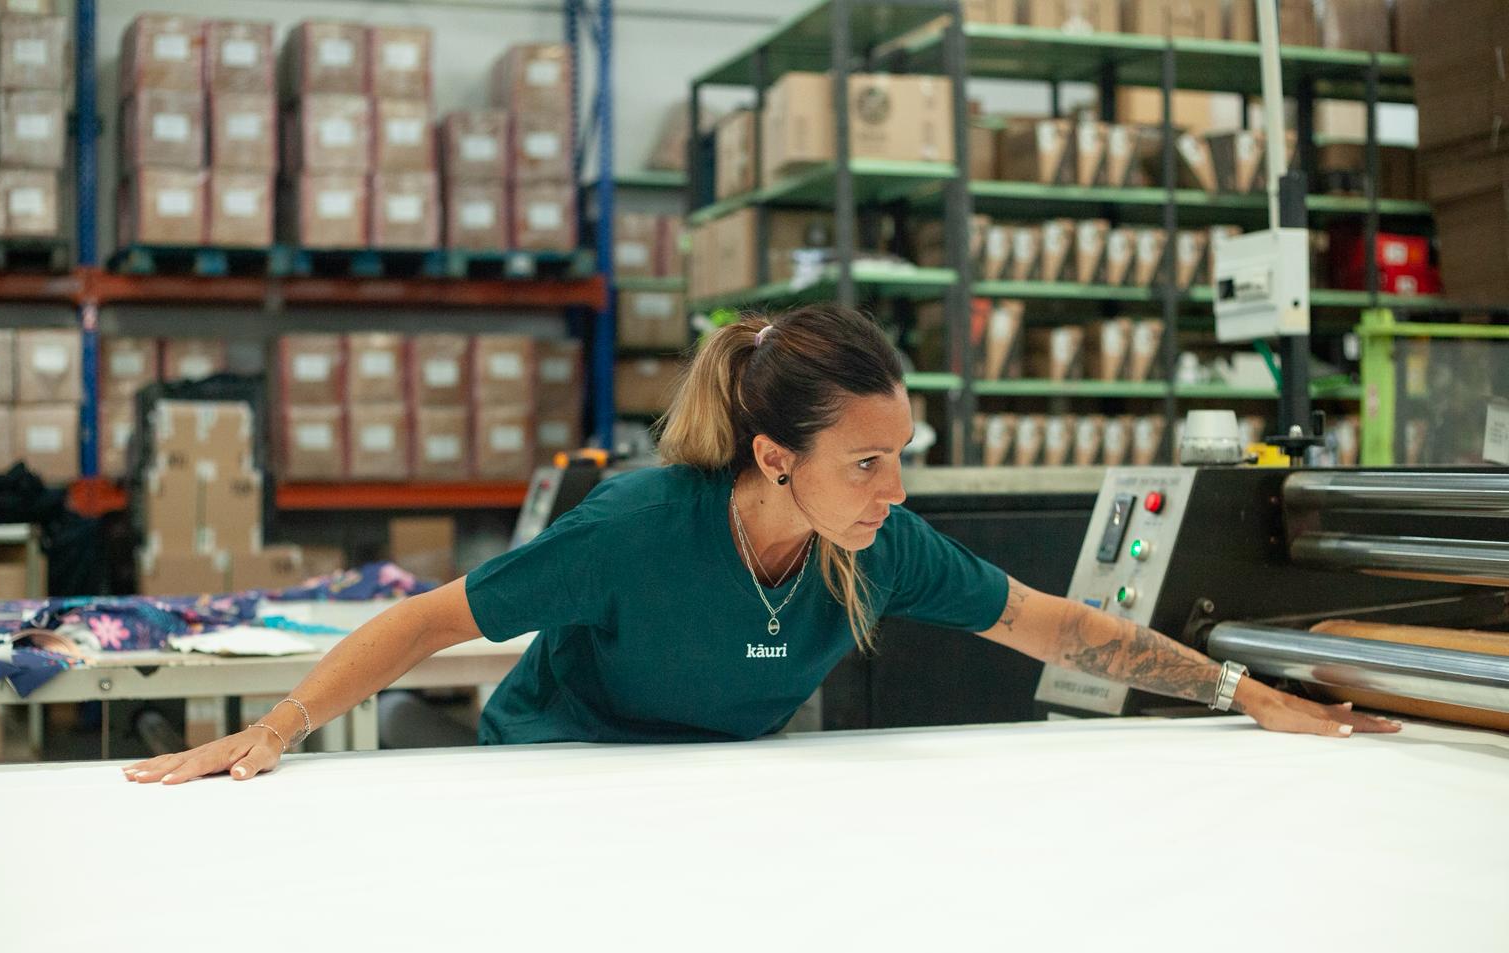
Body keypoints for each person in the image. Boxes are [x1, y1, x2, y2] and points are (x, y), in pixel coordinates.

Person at [124, 304, 1399, 785]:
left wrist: (1243, 691)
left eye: (902, 452)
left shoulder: (875, 544)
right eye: (867, 459)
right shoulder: (633, 527)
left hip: (710, 794)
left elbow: (1054, 625)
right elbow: (431, 621)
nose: (894, 487)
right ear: (771, 456)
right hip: (553, 786)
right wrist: (278, 728)